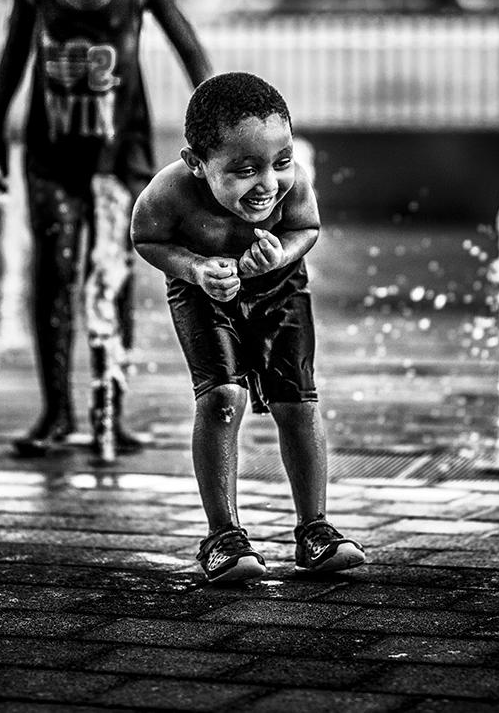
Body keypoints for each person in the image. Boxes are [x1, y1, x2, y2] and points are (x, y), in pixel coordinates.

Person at [0, 0, 212, 457]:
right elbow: (11, 60)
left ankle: (110, 409)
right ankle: (57, 413)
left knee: (110, 278)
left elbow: (193, 55)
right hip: (52, 156)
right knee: (54, 276)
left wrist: (216, 133)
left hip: (121, 158)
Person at [131, 71, 365, 584]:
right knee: (221, 400)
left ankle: (315, 529)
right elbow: (145, 238)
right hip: (204, 294)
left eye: (280, 162)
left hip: (280, 291)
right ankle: (223, 536)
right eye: (243, 170)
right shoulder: (168, 193)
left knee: (296, 400)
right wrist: (194, 268)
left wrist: (280, 253)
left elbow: (307, 227)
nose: (268, 183)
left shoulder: (293, 183)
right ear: (196, 163)